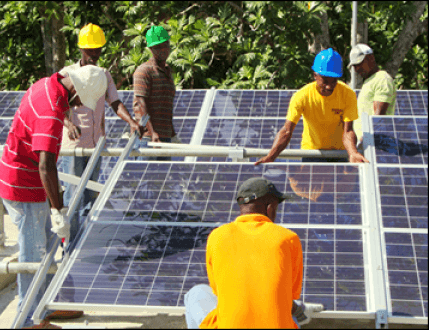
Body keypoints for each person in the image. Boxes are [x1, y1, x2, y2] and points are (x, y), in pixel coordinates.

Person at [0, 65, 108, 329]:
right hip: (23, 185)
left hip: (29, 181)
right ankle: (28, 320)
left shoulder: (48, 84)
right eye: (81, 98)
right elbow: (46, 165)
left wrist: (54, 202)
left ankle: (46, 306)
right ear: (76, 89)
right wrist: (58, 210)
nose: (80, 104)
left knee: (46, 246)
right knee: (33, 256)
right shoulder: (51, 110)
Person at [184, 177, 324, 328]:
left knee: (196, 292)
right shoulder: (288, 238)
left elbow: (218, 291)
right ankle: (300, 310)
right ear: (270, 208)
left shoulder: (216, 236)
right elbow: (287, 294)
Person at [60, 23, 145, 247]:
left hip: (96, 145)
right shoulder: (67, 74)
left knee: (89, 195)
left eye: (98, 50)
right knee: (73, 196)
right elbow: (55, 107)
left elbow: (114, 103)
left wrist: (132, 122)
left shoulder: (103, 75)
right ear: (81, 50)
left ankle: (84, 244)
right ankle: (68, 244)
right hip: (74, 146)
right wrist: (68, 124)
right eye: (91, 50)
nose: (95, 55)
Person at [255, 48, 369, 165]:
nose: (329, 86)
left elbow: (348, 131)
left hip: (339, 153)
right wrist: (271, 155)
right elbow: (287, 131)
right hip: (312, 152)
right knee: (311, 183)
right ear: (315, 75)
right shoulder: (302, 96)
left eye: (333, 81)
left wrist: (353, 153)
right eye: (325, 81)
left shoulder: (347, 94)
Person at [133, 25, 176, 161]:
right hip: (147, 138)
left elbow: (166, 107)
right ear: (151, 49)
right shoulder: (144, 71)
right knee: (145, 179)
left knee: (161, 180)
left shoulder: (168, 71)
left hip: (164, 137)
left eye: (165, 45)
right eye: (158, 47)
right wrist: (152, 133)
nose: (163, 50)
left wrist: (172, 134)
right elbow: (141, 103)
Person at [348, 43, 397, 144]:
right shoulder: (369, 80)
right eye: (354, 66)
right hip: (364, 142)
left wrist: (365, 139)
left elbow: (378, 117)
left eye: (360, 63)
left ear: (371, 58)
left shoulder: (382, 79)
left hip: (372, 142)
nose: (357, 69)